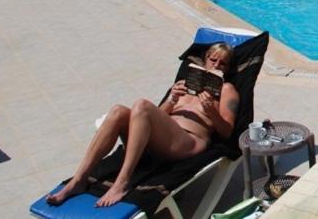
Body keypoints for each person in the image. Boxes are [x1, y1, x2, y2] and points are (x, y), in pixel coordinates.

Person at [46, 43, 239, 208]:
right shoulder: (187, 82)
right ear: (206, 59)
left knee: (142, 105)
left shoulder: (227, 90)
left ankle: (122, 182)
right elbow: (157, 116)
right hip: (164, 138)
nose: (216, 65)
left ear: (228, 69)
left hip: (188, 142)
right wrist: (172, 99)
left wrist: (211, 110)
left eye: (222, 63)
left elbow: (227, 132)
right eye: (213, 60)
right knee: (118, 112)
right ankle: (79, 180)